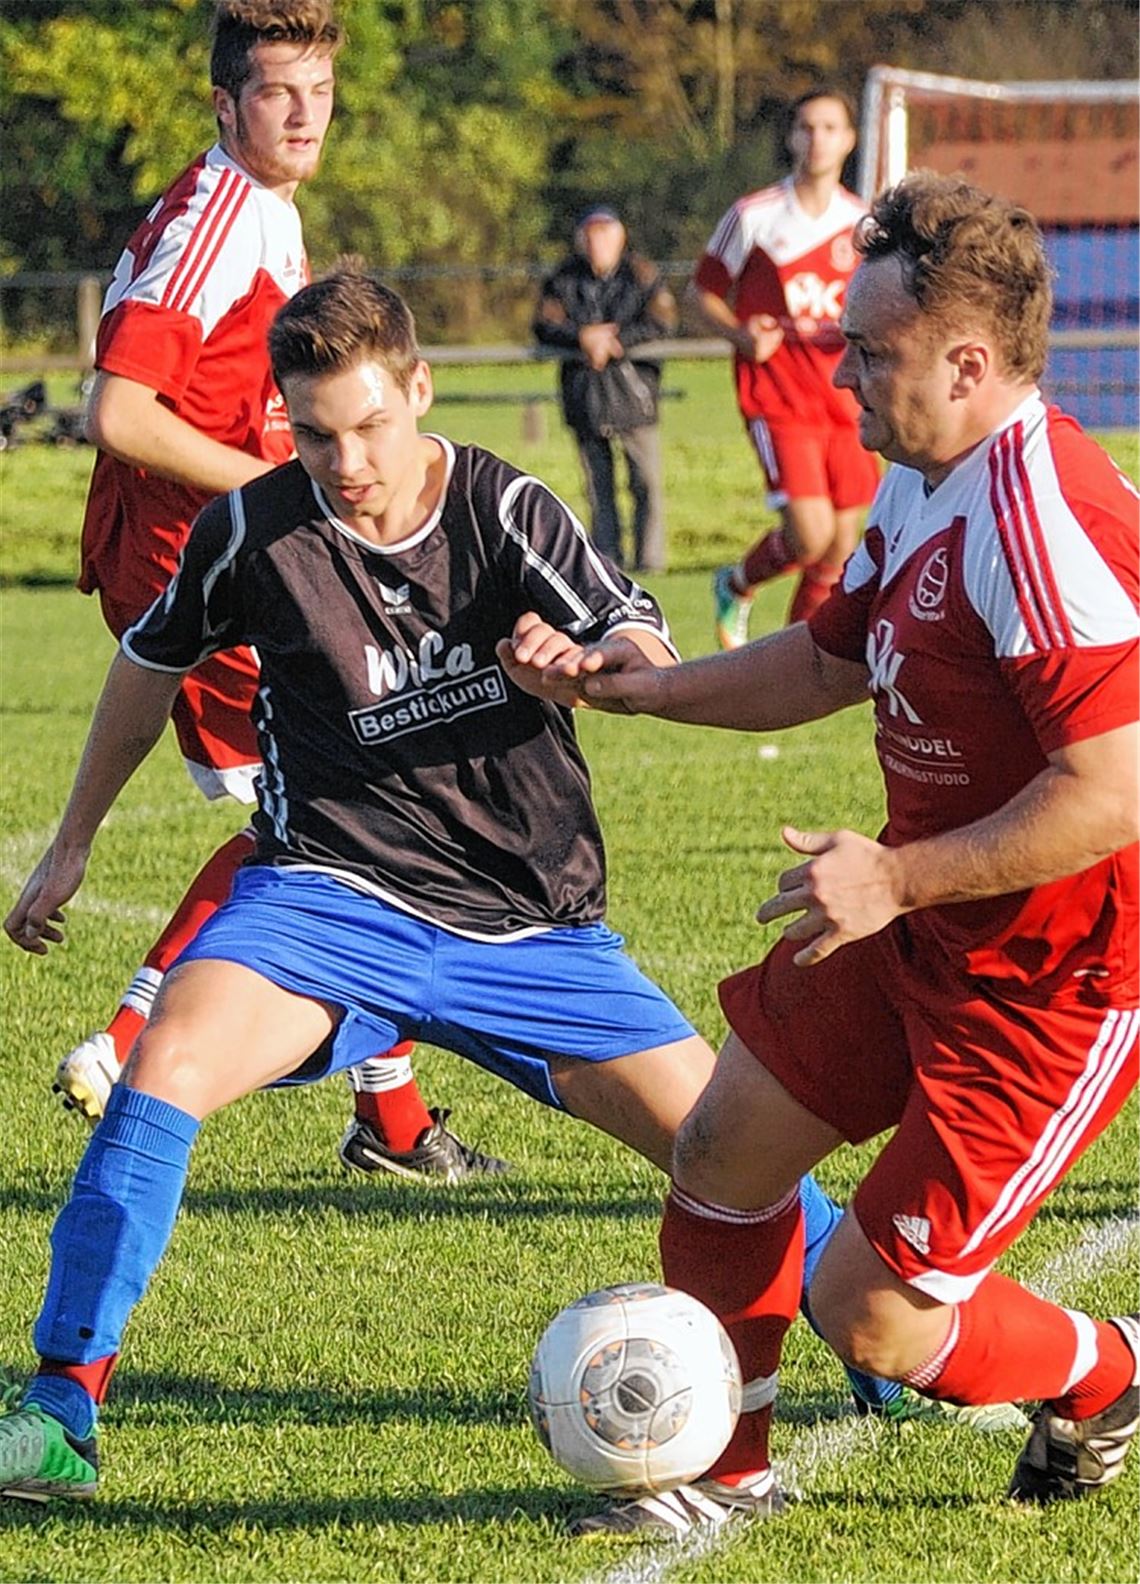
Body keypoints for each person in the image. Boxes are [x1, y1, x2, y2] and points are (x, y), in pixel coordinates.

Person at [0, 266, 928, 1507]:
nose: (347, 461)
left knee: (727, 1152)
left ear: (420, 391)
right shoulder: (256, 529)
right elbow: (148, 658)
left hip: (528, 927)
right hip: (327, 898)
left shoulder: (502, 509)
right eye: (316, 433)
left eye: (372, 426)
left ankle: (862, 1330)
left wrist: (590, 664)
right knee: (166, 1065)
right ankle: (61, 1403)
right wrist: (72, 843)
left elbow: (641, 640)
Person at [536, 171, 1139, 1536]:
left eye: (872, 350)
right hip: (919, 917)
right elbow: (824, 655)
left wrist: (897, 875)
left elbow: (1114, 789)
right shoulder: (930, 481)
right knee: (723, 1153)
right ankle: (719, 1475)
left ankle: (1108, 1373)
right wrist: (629, 688)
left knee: (865, 1313)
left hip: (1053, 982)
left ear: (969, 364)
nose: (840, 372)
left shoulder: (1041, 520)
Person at [61, 0, 503, 1182]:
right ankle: (131, 1037)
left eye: (319, 90)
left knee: (371, 806)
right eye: (276, 92)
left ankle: (393, 1124)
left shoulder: (258, 208)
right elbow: (118, 412)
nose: (305, 114)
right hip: (200, 566)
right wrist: (281, 491)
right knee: (343, 815)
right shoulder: (217, 223)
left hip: (214, 553)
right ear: (225, 105)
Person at [691, 87, 880, 647]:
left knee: (844, 540)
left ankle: (801, 651)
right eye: (806, 127)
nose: (817, 139)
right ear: (792, 137)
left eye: (830, 127)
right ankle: (736, 583)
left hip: (844, 395)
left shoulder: (864, 222)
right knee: (809, 534)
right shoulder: (754, 215)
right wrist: (739, 333)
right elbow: (699, 293)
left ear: (849, 139)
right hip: (778, 396)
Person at [533, 206, 676, 573]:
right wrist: (582, 338)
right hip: (585, 396)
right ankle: (607, 564)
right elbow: (544, 324)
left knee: (646, 483)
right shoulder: (562, 278)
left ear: (621, 238)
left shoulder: (641, 274)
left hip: (634, 393)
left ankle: (650, 563)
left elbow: (664, 320)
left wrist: (615, 342)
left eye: (606, 235)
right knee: (598, 490)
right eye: (592, 236)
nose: (598, 244)